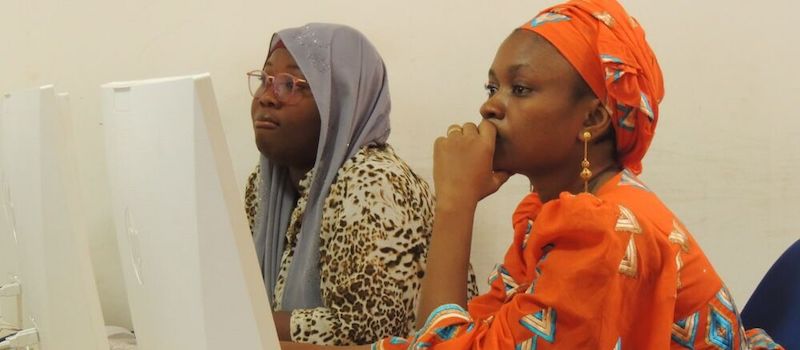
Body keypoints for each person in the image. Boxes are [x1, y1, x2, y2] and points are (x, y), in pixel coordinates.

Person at [280, 1, 784, 349]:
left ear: (592, 118)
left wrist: (455, 204)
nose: (489, 106)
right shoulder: (550, 213)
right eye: (492, 86)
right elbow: (474, 332)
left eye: (519, 90)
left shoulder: (603, 232)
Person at [244, 23, 478, 346]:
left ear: (341, 100)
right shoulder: (266, 183)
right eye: (265, 80)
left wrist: (244, 324)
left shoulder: (376, 184)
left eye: (289, 84)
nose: (267, 98)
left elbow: (371, 328)